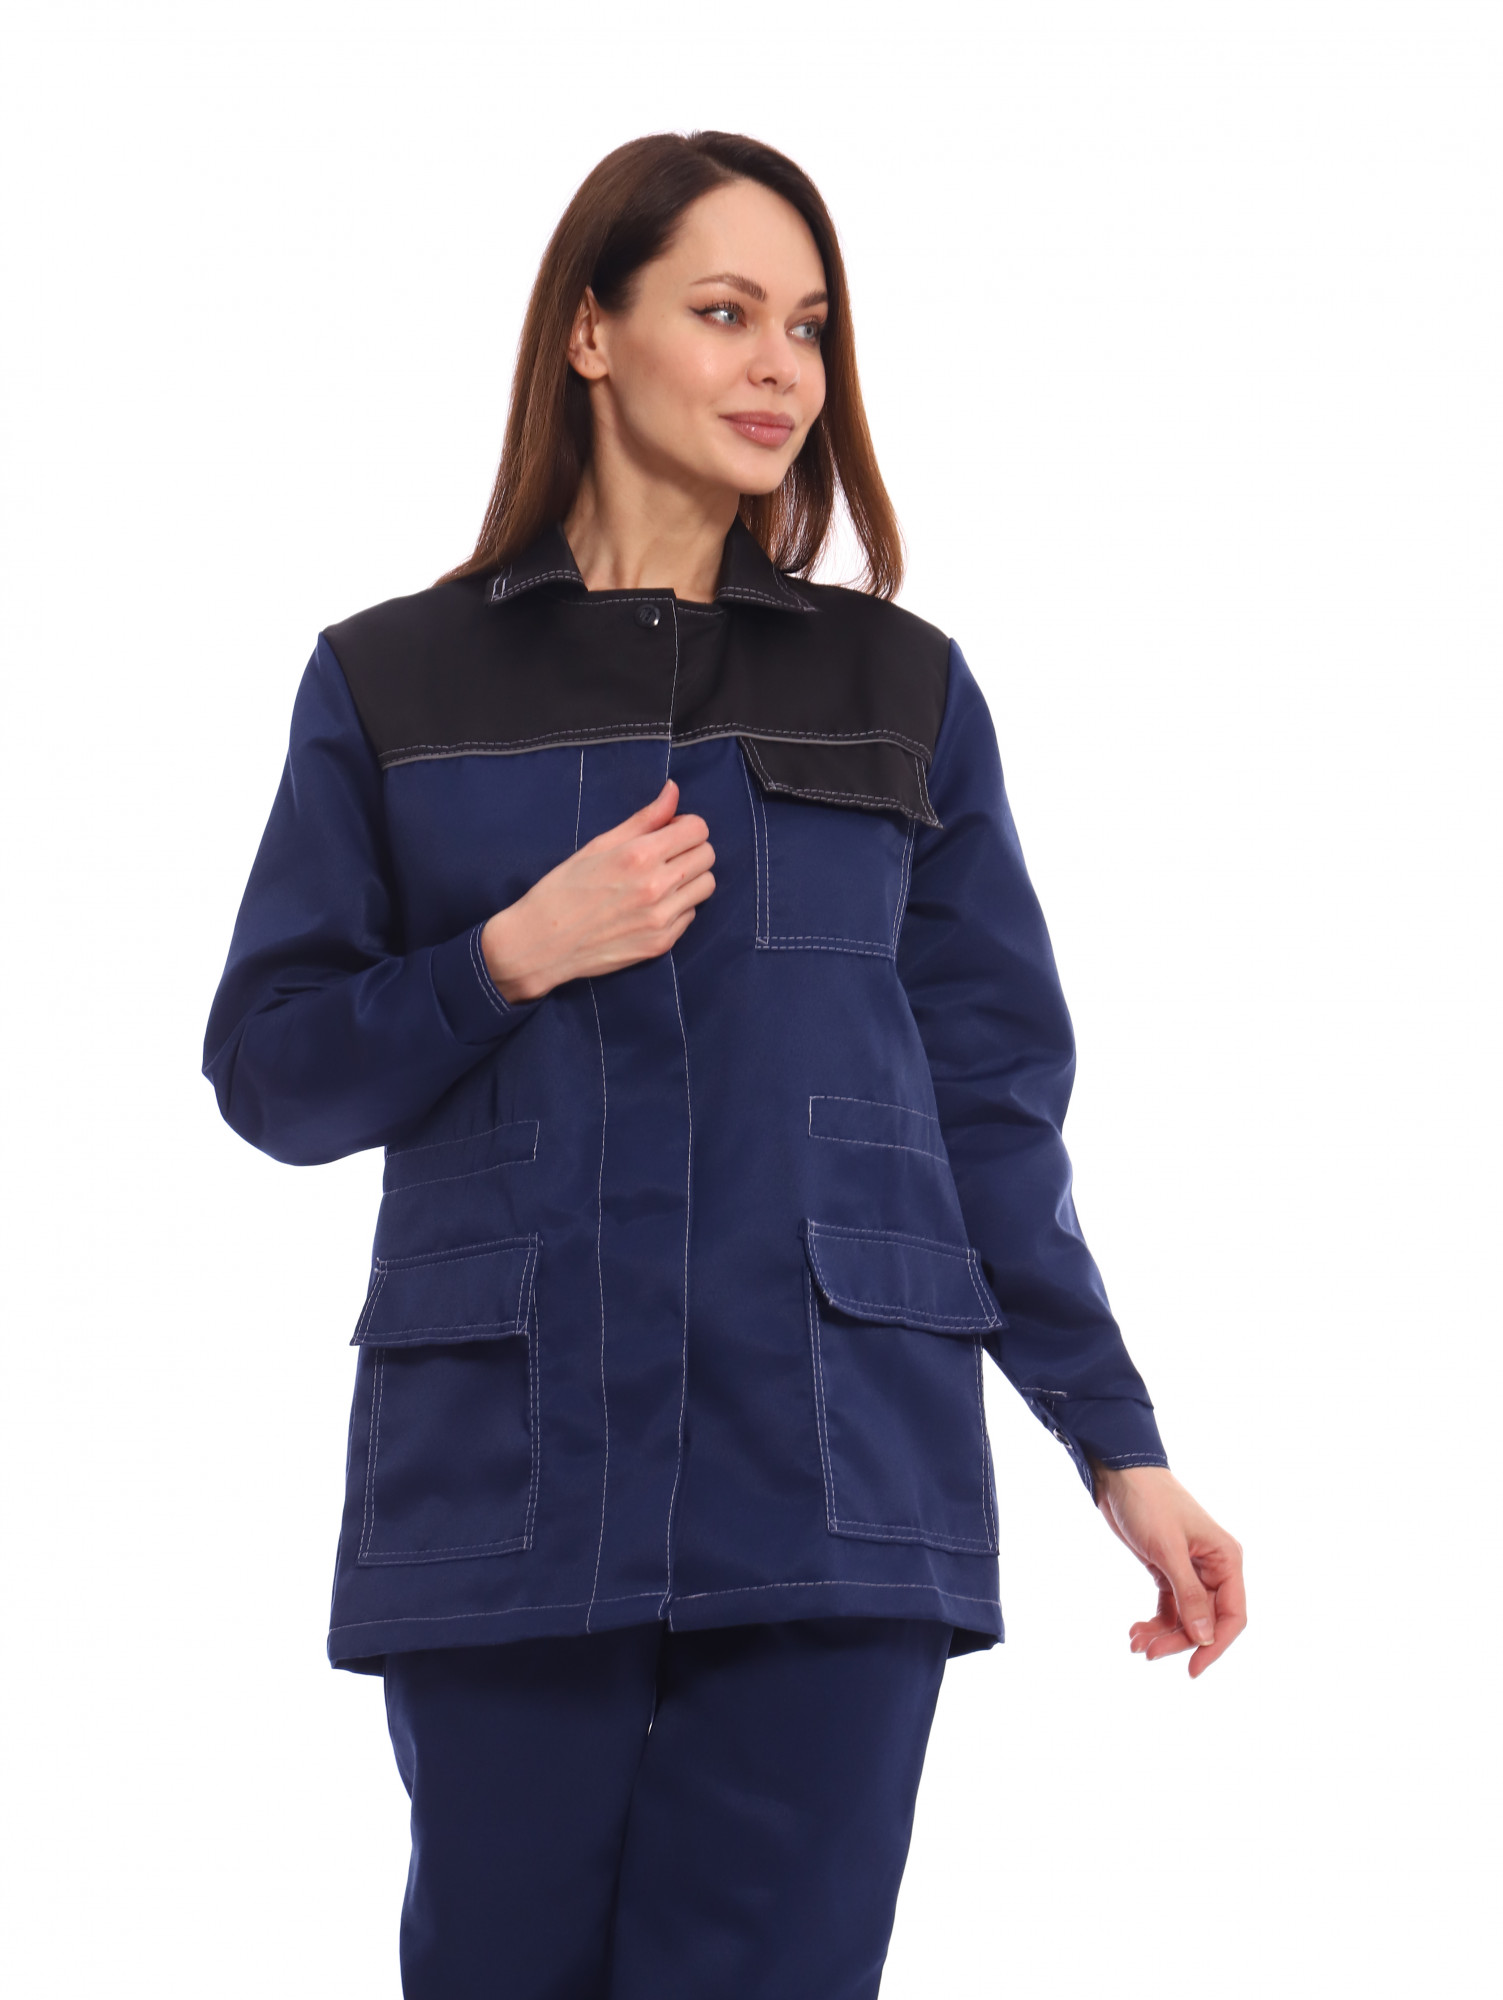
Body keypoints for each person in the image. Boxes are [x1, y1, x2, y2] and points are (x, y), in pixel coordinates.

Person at [202, 129, 1246, 2000]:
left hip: (831, 1483)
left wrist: (1120, 1446)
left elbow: (989, 1110)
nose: (783, 368)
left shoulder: (900, 691)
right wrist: (507, 957)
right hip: (510, 1482)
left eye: (811, 326)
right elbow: (274, 1073)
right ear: (592, 332)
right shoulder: (393, 682)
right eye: (726, 311)